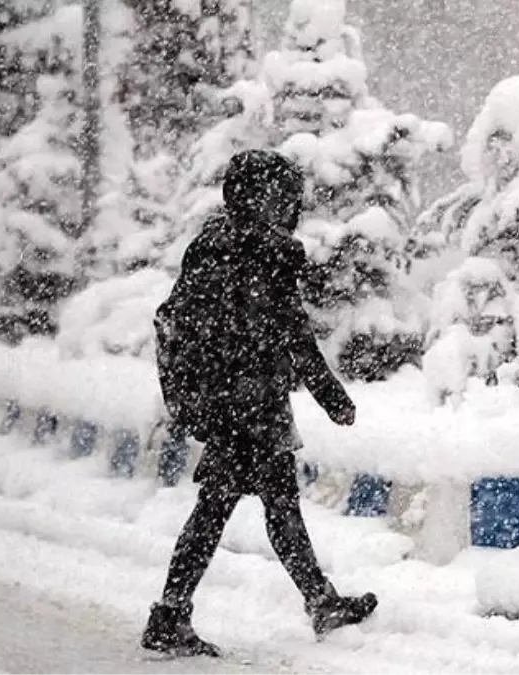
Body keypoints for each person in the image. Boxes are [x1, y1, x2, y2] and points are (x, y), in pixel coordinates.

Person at [143, 150, 377, 657]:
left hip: (226, 402)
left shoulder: (211, 246)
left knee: (253, 504)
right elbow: (293, 334)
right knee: (246, 508)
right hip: (250, 405)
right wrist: (333, 398)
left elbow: (195, 324)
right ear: (261, 198)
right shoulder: (263, 253)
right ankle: (172, 613)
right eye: (283, 197)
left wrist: (204, 395)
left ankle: (314, 600)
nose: (289, 207)